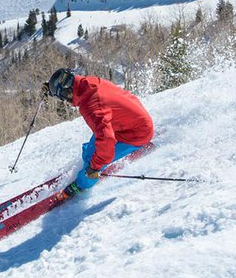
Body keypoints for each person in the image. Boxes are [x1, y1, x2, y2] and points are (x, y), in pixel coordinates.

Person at [43, 68, 154, 196]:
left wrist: (94, 168)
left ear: (67, 93)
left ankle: (82, 185)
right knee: (90, 152)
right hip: (128, 120)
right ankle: (89, 164)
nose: (64, 101)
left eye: (62, 97)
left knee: (93, 162)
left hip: (137, 133)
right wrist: (51, 89)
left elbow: (106, 140)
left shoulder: (91, 106)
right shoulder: (90, 83)